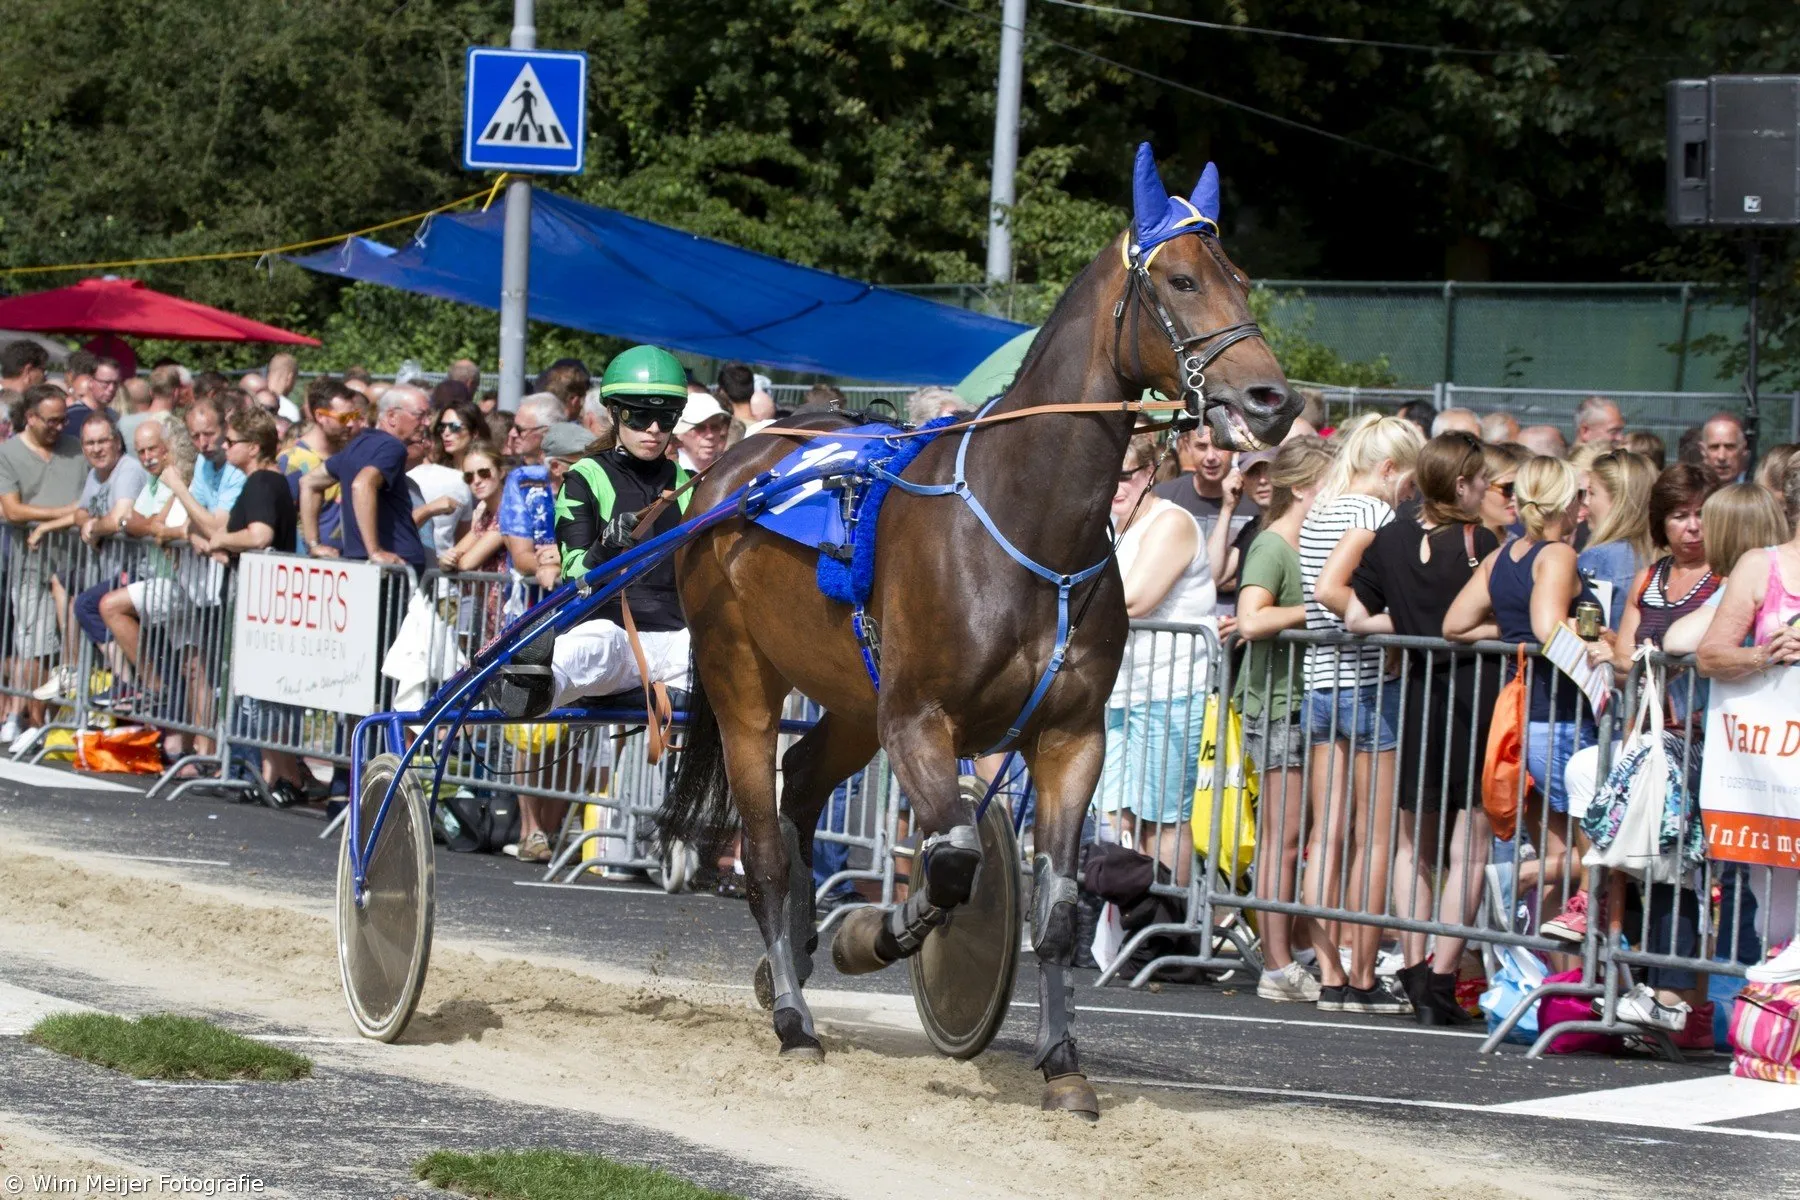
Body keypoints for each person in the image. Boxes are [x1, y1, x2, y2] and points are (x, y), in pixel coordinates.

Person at [488, 346, 695, 864]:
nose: (653, 427)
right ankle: (525, 679)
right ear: (617, 414)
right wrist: (611, 543)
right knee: (588, 650)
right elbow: (577, 569)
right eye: (641, 415)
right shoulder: (587, 477)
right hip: (612, 628)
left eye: (665, 417)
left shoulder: (691, 484)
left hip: (674, 639)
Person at [1344, 432, 1499, 1024]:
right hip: (1475, 696)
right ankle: (1439, 978)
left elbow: (1355, 616)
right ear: (1460, 484)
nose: (1487, 487)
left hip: (1416, 692)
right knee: (1470, 848)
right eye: (1481, 478)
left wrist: (1405, 623)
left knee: (1413, 842)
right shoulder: (1479, 542)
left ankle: (1414, 964)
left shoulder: (1393, 535)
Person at [1445, 455, 1600, 942]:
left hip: (1529, 718)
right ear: (1563, 502)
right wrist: (1602, 639)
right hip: (1560, 715)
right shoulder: (1556, 555)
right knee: (1581, 851)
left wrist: (1508, 631)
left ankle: (1547, 976)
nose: (1583, 505)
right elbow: (1545, 626)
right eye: (1578, 494)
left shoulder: (1500, 557)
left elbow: (1456, 624)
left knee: (1557, 847)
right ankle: (1518, 882)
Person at [1302, 413, 1425, 1014]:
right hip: (1368, 682)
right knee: (1373, 840)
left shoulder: (1322, 507)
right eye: (1411, 481)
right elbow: (1331, 589)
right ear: (1389, 470)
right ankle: (1362, 975)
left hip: (1320, 680)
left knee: (1326, 835)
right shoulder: (1373, 514)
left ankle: (1329, 971)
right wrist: (1377, 622)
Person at [1235, 437, 1335, 1002]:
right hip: (1276, 704)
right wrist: (1318, 606)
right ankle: (1275, 963)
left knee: (1300, 835)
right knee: (1282, 835)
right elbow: (1251, 619)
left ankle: (1294, 950)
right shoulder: (1273, 544)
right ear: (1303, 488)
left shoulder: (1318, 541)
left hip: (1310, 699)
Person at [1095, 433, 1215, 889]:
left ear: (1148, 473)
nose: (1114, 486)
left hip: (1169, 690)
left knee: (1161, 820)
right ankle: (1119, 921)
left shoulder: (1171, 522)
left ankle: (1167, 928)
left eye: (1124, 475)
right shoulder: (1110, 523)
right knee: (1113, 813)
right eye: (1108, 476)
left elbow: (1138, 599)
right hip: (1117, 689)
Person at [1696, 467, 1800, 984]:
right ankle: (1778, 1021)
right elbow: (1709, 655)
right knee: (1775, 908)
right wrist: (1764, 654)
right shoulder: (1762, 566)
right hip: (1772, 765)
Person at [0, 385, 87, 745]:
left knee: (68, 651)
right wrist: (65, 512)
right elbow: (13, 510)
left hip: (75, 565)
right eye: (51, 421)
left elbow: (92, 499)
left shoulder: (76, 450)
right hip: (30, 564)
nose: (58, 427)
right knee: (35, 646)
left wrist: (64, 517)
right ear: (31, 417)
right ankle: (33, 723)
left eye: (63, 420)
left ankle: (52, 721)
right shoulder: (9, 453)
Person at [301, 391, 426, 573]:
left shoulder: (359, 444)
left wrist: (313, 544)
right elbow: (362, 484)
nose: (427, 422)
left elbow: (309, 482)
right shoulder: (392, 446)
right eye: (420, 415)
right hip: (394, 566)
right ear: (392, 416)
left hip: (361, 564)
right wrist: (375, 551)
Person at [1156, 423, 1259, 610]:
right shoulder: (1163, 498)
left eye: (1219, 446)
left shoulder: (1255, 499)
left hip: (1236, 621)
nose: (1211, 457)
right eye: (1201, 447)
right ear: (1187, 446)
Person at [1575, 450, 1657, 628]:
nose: (1586, 502)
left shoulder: (1597, 559)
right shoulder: (1664, 558)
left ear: (1619, 500)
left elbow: (1587, 631)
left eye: (1592, 493)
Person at [497, 393, 563, 590]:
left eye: (519, 429)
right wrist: (551, 566)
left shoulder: (586, 468)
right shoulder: (521, 479)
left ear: (546, 432)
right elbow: (520, 555)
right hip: (531, 602)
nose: (512, 434)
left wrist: (563, 560)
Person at [1206, 448, 1274, 597]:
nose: (1262, 480)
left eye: (1269, 470)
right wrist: (1227, 509)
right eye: (1253, 473)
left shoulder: (1297, 525)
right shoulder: (1251, 529)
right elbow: (1211, 577)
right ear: (1241, 479)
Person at [439, 443, 508, 574]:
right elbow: (450, 557)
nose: (476, 481)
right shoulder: (485, 515)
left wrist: (451, 562)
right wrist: (445, 561)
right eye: (469, 477)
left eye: (484, 473)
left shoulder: (509, 511)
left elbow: (466, 563)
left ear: (501, 472)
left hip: (508, 593)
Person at [674, 390, 730, 472]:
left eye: (715, 427)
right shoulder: (670, 470)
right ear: (680, 434)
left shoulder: (729, 468)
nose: (710, 435)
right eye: (700, 427)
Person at [1479, 442, 1523, 543]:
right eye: (1508, 487)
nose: (1515, 497)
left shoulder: (1519, 543)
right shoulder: (1451, 545)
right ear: (1478, 487)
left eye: (1520, 488)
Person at [431, 399, 487, 472]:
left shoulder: (486, 469)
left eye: (454, 426)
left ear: (474, 433)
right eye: (442, 427)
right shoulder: (437, 470)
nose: (446, 433)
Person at [1701, 413, 1751, 486]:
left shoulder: (1758, 494)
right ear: (1703, 450)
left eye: (1730, 447)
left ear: (1744, 449)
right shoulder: (1692, 494)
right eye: (1714, 447)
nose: (1721, 457)